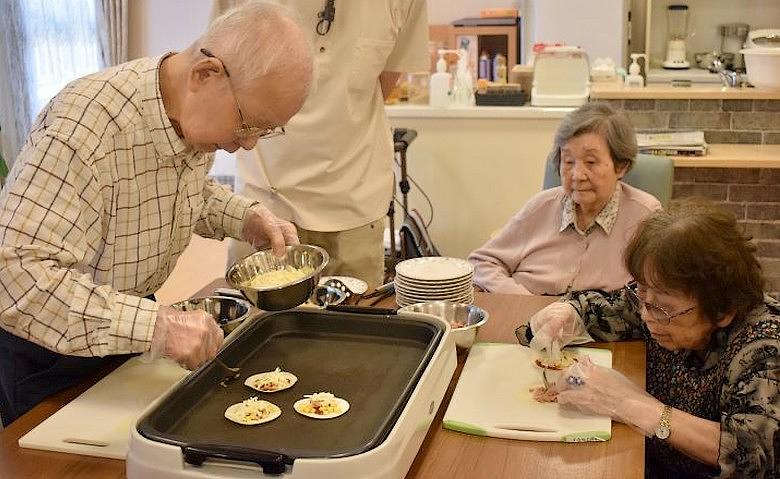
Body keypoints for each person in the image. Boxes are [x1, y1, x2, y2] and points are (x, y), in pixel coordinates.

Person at [0, 1, 312, 425]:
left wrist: (245, 216)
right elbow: (17, 279)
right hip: (52, 359)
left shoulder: (184, 114)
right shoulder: (84, 127)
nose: (250, 143)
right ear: (207, 74)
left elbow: (182, 191)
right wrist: (156, 327)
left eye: (265, 129)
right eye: (248, 124)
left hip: (124, 336)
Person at [518, 200, 779, 478]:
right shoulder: (656, 302)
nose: (644, 315)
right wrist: (569, 313)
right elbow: (611, 308)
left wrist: (633, 405)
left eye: (661, 308)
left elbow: (754, 455)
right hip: (645, 460)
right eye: (642, 294)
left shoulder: (764, 347)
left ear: (722, 310)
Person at [215, 0, 430, 290]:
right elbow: (218, 72)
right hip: (263, 202)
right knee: (250, 328)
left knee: (351, 328)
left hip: (354, 204)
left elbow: (383, 82)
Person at [468, 102, 661, 296]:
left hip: (597, 323)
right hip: (527, 317)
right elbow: (482, 262)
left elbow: (658, 291)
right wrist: (520, 299)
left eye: (591, 162)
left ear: (621, 167)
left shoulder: (645, 217)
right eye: (568, 161)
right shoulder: (540, 207)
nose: (577, 174)